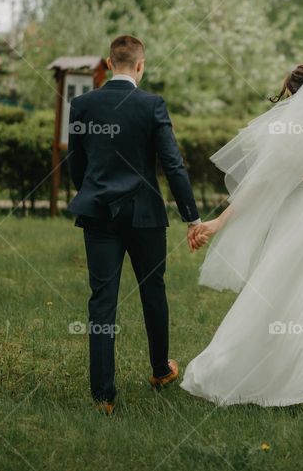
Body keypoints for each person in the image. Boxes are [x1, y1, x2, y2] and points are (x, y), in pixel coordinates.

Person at [182, 63, 303, 410]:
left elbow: (256, 189)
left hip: (298, 224)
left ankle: (296, 382)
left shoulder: (292, 134)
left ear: (295, 95)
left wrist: (217, 223)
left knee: (270, 297)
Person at [67, 34, 202, 415]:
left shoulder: (82, 105)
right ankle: (161, 370)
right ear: (140, 65)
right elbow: (172, 164)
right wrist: (190, 216)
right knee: (153, 290)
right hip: (144, 216)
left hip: (99, 214)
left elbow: (75, 162)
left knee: (102, 301)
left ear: (110, 63)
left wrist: (91, 191)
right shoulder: (152, 105)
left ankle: (103, 396)